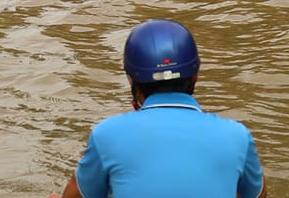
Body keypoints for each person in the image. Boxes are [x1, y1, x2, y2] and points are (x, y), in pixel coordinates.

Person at [58, 18, 267, 198]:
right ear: (195, 75)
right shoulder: (237, 135)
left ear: (131, 80)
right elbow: (258, 194)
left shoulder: (106, 135)